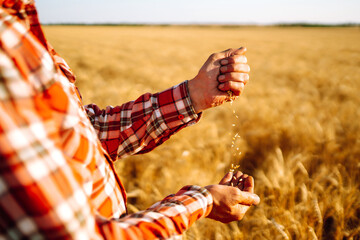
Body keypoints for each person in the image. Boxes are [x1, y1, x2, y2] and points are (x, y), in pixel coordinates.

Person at [0, 0, 260, 239]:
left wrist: (194, 95)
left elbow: (88, 130)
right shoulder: (6, 49)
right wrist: (204, 201)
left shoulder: (19, 27)